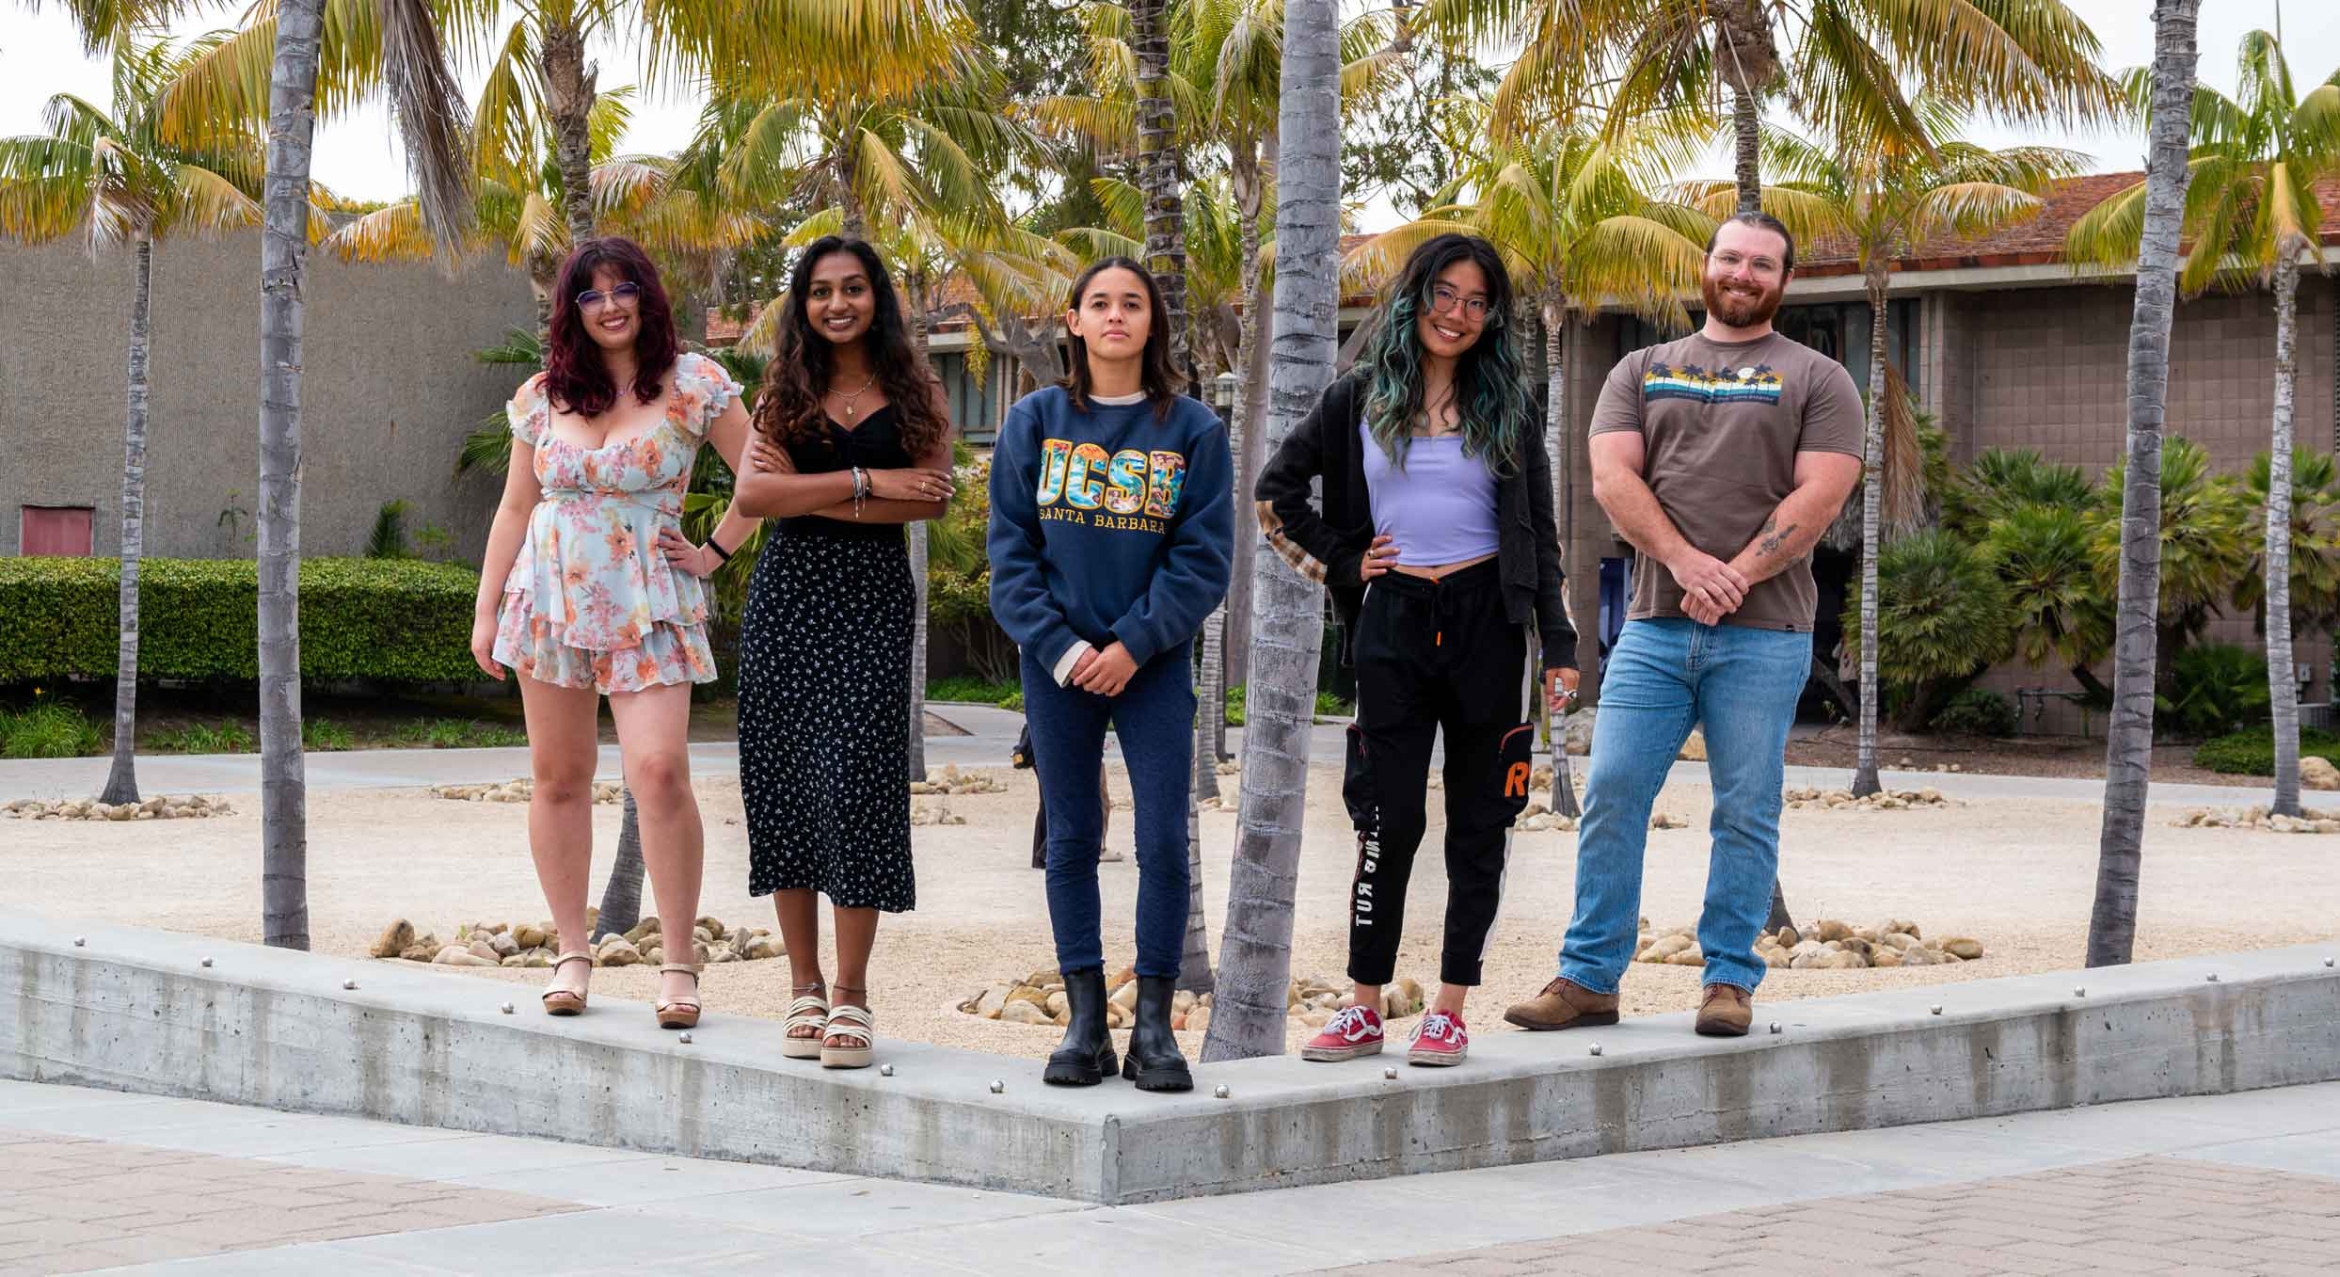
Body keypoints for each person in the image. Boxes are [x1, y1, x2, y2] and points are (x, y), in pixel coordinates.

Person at [1503, 212, 1862, 1039]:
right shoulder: (1641, 368)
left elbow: (1821, 496)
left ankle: (1729, 979)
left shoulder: (1817, 378)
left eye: (1762, 264)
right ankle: (1589, 977)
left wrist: (1737, 572)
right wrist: (1688, 563)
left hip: (1765, 632)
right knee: (1614, 792)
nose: (1743, 273)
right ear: (1707, 267)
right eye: (1731, 257)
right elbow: (1612, 478)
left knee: (1745, 808)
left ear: (1784, 280)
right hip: (1657, 629)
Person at [1256, 233, 1580, 1069]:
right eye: (1446, 293)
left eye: (1477, 301)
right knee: (1385, 821)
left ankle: (1449, 1007)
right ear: (1417, 294)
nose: (1458, 314)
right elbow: (1273, 497)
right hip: (1393, 622)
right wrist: (1338, 559)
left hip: (1488, 625)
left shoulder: (1510, 403)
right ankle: (1363, 1007)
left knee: (1480, 824)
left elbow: (1539, 531)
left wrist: (1559, 643)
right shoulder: (1356, 397)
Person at [470, 236, 756, 1032]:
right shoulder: (542, 397)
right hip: (547, 598)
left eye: (623, 287)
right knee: (557, 776)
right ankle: (571, 951)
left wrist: (712, 552)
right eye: (591, 294)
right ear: (572, 308)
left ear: (647, 295)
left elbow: (764, 473)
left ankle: (678, 961)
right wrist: (487, 610)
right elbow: (516, 508)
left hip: (651, 598)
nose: (610, 305)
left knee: (659, 771)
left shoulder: (692, 383)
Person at [988, 257, 1233, 1091]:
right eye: (1101, 303)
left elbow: (1202, 560)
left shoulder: (1192, 429)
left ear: (1152, 323)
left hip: (1153, 665)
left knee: (1164, 836)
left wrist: (1132, 644)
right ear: (1075, 321)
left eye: (1133, 303)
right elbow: (1011, 556)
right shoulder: (1035, 420)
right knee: (1072, 839)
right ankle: (1087, 1024)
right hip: (1056, 664)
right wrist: (1061, 649)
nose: (1117, 315)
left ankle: (1155, 1029)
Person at [726, 236, 956, 1069]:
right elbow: (755, 496)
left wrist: (814, 491)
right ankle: (803, 986)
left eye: (853, 288)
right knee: (785, 783)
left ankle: (853, 994)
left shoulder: (915, 384)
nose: (837, 304)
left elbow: (929, 498)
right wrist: (867, 482)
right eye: (821, 291)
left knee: (858, 784)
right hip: (788, 602)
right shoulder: (785, 384)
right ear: (803, 302)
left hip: (870, 604)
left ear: (877, 296)